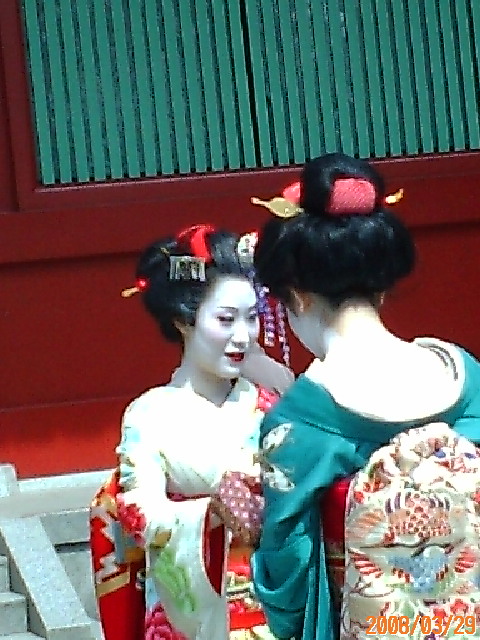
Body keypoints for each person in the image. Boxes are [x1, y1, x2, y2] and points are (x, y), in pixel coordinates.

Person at [249, 153, 480, 640]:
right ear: (380, 285)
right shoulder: (464, 375)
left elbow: (289, 584)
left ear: (297, 294)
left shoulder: (300, 422)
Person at [90, 223, 293, 640]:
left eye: (251, 318)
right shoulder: (150, 415)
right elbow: (138, 513)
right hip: (193, 611)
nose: (243, 336)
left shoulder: (272, 406)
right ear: (183, 320)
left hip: (277, 608)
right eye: (226, 319)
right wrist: (212, 512)